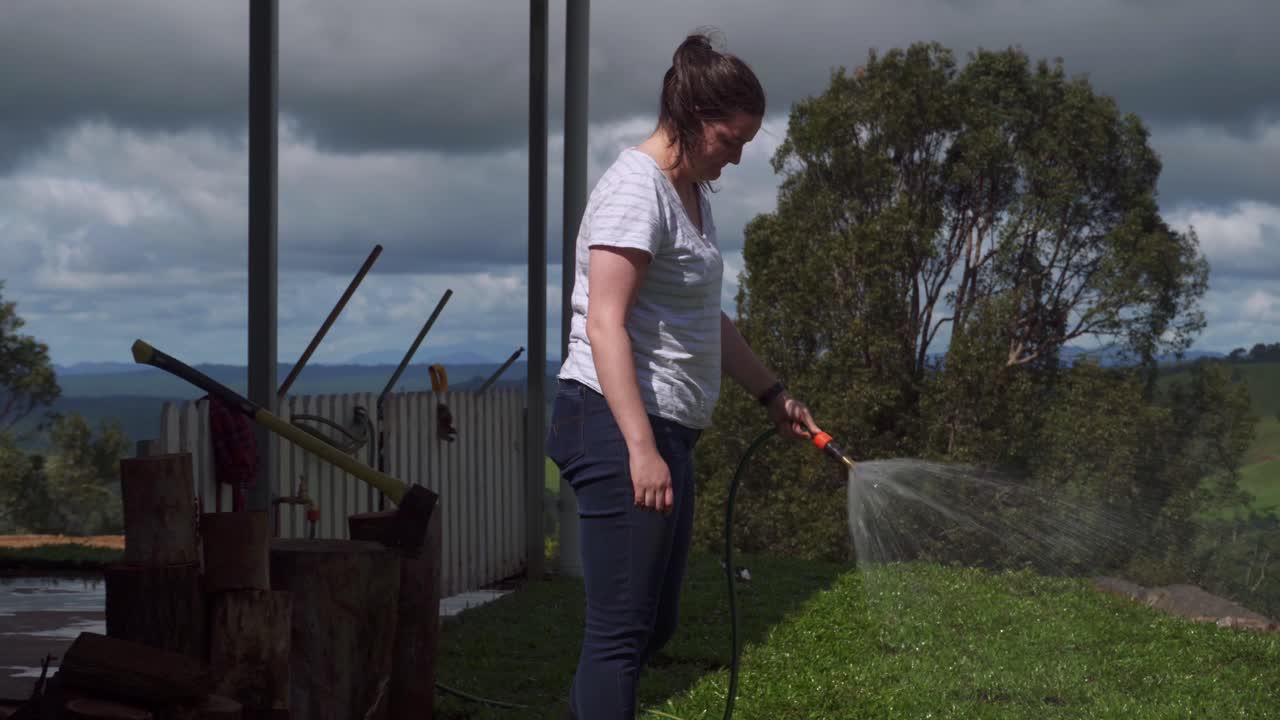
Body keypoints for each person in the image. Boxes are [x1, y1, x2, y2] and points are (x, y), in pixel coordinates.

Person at [546, 31, 828, 719]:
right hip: (617, 427)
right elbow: (605, 324)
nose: (736, 157)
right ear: (698, 122)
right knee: (620, 634)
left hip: (666, 430)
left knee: (655, 624)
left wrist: (773, 393)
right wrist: (640, 448)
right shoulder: (635, 190)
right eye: (732, 140)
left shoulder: (692, 194)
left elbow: (708, 320)